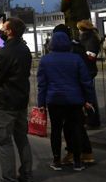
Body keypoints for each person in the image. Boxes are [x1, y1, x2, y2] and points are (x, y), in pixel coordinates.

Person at [37, 31, 96, 171]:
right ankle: (77, 161)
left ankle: (56, 161)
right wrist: (89, 99)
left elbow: (42, 84)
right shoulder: (76, 59)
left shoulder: (45, 60)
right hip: (75, 100)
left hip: (54, 100)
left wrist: (41, 103)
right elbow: (85, 81)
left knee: (56, 130)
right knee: (75, 129)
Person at [0, 17, 33, 182]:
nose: (1, 30)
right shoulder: (25, 49)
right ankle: (27, 176)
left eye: (4, 28)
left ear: (10, 31)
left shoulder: (3, 52)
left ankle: (9, 181)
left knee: (4, 141)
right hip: (21, 100)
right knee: (22, 139)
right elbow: (14, 70)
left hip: (5, 102)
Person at [51, 24, 96, 165]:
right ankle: (83, 153)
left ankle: (76, 153)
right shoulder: (78, 47)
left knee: (72, 125)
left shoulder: (69, 49)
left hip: (70, 93)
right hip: (77, 91)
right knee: (75, 124)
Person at [76, 19, 101, 128]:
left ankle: (93, 120)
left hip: (87, 70)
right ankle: (90, 119)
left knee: (89, 97)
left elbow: (90, 55)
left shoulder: (89, 38)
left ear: (82, 29)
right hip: (87, 69)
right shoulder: (91, 37)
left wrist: (81, 54)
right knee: (87, 96)